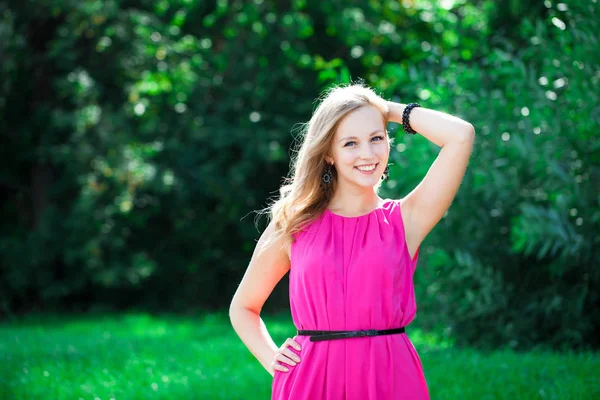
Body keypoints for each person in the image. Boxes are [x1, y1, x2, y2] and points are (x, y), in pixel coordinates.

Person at [229, 82, 475, 399]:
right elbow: (244, 308)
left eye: (376, 138)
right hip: (311, 380)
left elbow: (461, 135)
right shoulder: (293, 222)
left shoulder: (406, 220)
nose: (367, 154)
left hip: (390, 378)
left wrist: (383, 108)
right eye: (350, 143)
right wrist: (272, 359)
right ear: (328, 154)